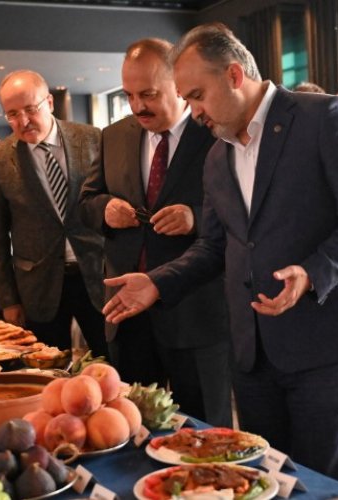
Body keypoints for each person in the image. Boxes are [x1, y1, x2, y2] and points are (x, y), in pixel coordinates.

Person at [102, 23, 338, 490]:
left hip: (322, 342)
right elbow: (215, 246)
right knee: (264, 480)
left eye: (196, 96)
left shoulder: (322, 116)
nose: (192, 112)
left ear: (235, 75)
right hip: (251, 352)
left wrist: (312, 272)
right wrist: (158, 282)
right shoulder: (218, 155)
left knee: (323, 482)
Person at [79, 38, 232, 426]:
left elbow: (243, 212)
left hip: (195, 310)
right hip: (128, 312)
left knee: (203, 429)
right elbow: (86, 201)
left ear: (178, 85)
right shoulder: (114, 135)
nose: (137, 107)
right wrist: (105, 210)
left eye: (148, 94)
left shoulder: (216, 129)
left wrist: (196, 217)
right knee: (129, 427)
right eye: (128, 95)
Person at [0, 70, 107, 357]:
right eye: (12, 114)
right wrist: (9, 300)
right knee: (48, 372)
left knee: (113, 362)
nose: (23, 121)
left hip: (96, 274)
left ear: (49, 102)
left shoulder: (92, 138)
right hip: (38, 286)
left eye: (30, 109)